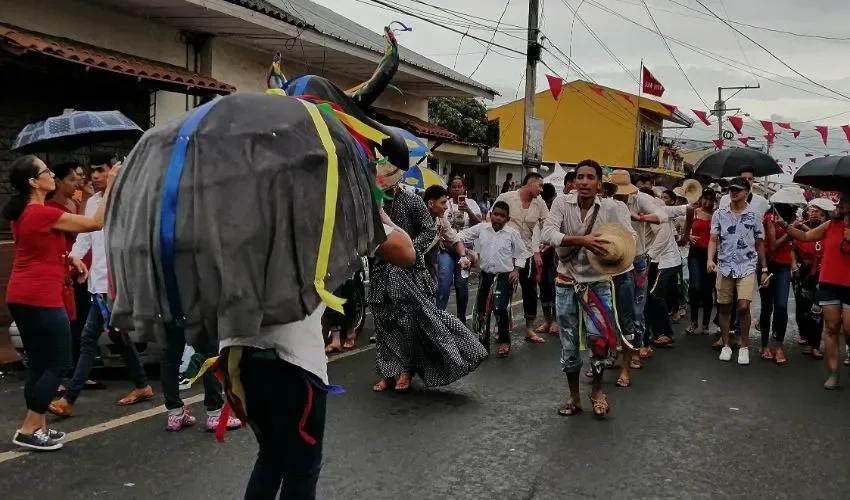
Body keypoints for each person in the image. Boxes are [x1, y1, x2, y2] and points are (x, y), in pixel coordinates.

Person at [4, 155, 115, 451]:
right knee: (59, 363)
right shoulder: (40, 213)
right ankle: (29, 426)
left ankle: (37, 427)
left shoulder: (25, 213)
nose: (51, 174)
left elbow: (37, 252)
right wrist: (111, 186)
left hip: (24, 294)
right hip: (39, 297)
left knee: (40, 365)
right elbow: (96, 222)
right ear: (33, 182)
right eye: (46, 171)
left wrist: (69, 259)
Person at [48, 156, 156, 418]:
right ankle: (142, 385)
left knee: (88, 338)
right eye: (93, 171)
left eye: (101, 171)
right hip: (98, 282)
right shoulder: (95, 204)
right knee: (119, 337)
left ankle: (69, 398)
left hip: (116, 282)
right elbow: (86, 236)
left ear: (115, 173)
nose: (94, 175)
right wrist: (73, 255)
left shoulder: (127, 202)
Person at [371, 181, 487, 393]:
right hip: (380, 271)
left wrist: (406, 251)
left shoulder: (411, 200)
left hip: (408, 271)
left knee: (408, 322)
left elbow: (428, 231)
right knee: (383, 322)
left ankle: (406, 370)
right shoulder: (371, 200)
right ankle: (387, 373)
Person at [542, 159, 636, 419]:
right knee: (569, 344)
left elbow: (629, 237)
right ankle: (573, 397)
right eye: (580, 177)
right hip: (566, 282)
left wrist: (612, 248)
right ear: (574, 182)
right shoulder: (562, 203)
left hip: (598, 283)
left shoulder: (611, 208)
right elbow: (547, 233)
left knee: (599, 341)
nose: (584, 182)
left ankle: (596, 391)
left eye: (590, 177)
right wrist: (580, 240)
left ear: (599, 183)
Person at [786, 192, 850, 389]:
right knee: (830, 329)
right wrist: (784, 225)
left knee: (848, 329)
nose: (839, 204)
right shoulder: (831, 225)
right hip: (828, 283)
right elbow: (805, 236)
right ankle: (833, 373)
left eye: (844, 201)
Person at [708, 177, 769, 365]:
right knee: (724, 306)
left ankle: (743, 346)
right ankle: (726, 344)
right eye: (731, 189)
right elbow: (712, 239)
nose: (733, 192)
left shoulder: (755, 215)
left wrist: (764, 269)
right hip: (725, 264)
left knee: (743, 306)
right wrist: (710, 259)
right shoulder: (720, 214)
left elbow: (759, 242)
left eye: (737, 189)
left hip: (747, 264)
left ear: (746, 192)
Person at [610, 169, 667, 368]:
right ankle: (614, 349)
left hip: (636, 260)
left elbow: (662, 216)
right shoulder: (606, 202)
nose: (620, 196)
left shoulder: (639, 199)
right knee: (613, 308)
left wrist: (640, 218)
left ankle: (636, 350)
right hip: (613, 260)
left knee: (636, 309)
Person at [458, 201, 526, 356]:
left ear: (507, 219)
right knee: (483, 309)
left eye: (502, 216)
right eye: (495, 214)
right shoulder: (482, 228)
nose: (498, 218)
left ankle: (504, 340)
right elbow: (461, 235)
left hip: (504, 277)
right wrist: (464, 251)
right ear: (490, 215)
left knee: (499, 308)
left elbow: (521, 253)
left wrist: (516, 271)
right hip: (486, 275)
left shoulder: (512, 234)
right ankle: (483, 341)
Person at [493, 172, 550, 343]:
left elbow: (547, 224)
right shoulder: (506, 197)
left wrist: (546, 242)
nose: (541, 190)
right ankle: (500, 326)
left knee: (530, 290)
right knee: (503, 290)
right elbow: (492, 219)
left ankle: (529, 329)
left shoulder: (539, 203)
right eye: (539, 185)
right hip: (506, 253)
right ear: (530, 183)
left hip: (527, 252)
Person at [758, 202, 798, 364]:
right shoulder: (769, 218)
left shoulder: (792, 220)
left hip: (784, 267)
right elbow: (773, 246)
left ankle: (779, 345)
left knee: (781, 306)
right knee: (767, 306)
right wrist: (790, 233)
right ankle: (764, 344)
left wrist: (792, 227)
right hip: (767, 265)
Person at [793, 199, 832, 359]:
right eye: (814, 211)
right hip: (806, 272)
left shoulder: (830, 230)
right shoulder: (804, 230)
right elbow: (796, 245)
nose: (817, 216)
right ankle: (806, 336)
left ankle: (814, 345)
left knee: (817, 311)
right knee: (802, 307)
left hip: (823, 274)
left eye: (822, 214)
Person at [435, 178, 479, 320]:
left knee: (461, 284)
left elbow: (479, 224)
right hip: (446, 248)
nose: (457, 189)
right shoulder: (444, 203)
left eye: (460, 186)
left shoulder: (471, 203)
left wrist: (468, 210)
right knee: (444, 279)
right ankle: (438, 317)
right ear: (449, 189)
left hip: (465, 248)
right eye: (454, 186)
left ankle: (461, 319)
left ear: (464, 188)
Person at [686, 188, 718, 335]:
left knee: (707, 289)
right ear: (701, 198)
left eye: (711, 199)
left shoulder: (717, 215)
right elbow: (685, 232)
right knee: (695, 286)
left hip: (711, 254)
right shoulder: (693, 212)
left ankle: (705, 323)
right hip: (695, 253)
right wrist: (689, 237)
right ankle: (693, 321)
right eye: (705, 198)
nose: (708, 202)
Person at [537, 183, 559, 335]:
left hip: (554, 253)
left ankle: (556, 320)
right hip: (538, 252)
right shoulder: (536, 207)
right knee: (542, 284)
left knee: (554, 285)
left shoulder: (558, 209)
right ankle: (547, 319)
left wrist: (549, 245)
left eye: (548, 201)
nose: (547, 204)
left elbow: (558, 233)